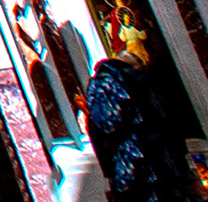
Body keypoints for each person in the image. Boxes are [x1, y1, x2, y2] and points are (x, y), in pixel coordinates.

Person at [83, 15, 194, 202]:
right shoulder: (140, 81)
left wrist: (109, 175)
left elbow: (97, 134)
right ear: (137, 66)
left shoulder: (96, 89)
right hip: (154, 161)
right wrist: (183, 172)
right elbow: (164, 122)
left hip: (124, 170)